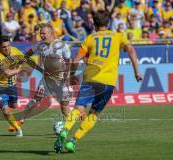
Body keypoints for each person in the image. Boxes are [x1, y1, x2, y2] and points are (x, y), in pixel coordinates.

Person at [54, 11, 143, 153]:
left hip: (90, 79)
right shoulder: (118, 36)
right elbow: (131, 49)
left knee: (78, 108)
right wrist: (137, 72)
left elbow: (76, 60)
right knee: (94, 113)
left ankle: (65, 130)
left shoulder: (90, 38)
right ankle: (73, 140)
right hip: (107, 81)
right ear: (108, 24)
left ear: (94, 25)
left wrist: (71, 76)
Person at [26, 23, 72, 118]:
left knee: (64, 108)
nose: (42, 35)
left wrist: (67, 76)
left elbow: (69, 60)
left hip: (61, 79)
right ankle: (19, 120)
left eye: (44, 33)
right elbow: (26, 56)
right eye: (40, 33)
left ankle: (71, 123)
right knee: (36, 99)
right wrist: (41, 70)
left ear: (50, 33)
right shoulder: (40, 46)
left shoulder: (61, 45)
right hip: (46, 79)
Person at [0, 36, 24, 137]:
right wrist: (18, 70)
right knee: (5, 110)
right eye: (4, 47)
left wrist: (20, 65)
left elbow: (23, 59)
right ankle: (18, 130)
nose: (7, 48)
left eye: (8, 46)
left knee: (14, 106)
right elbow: (7, 73)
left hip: (12, 85)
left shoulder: (15, 50)